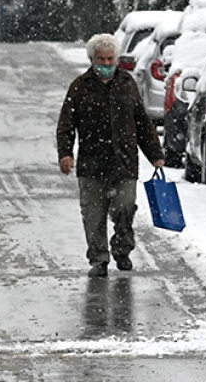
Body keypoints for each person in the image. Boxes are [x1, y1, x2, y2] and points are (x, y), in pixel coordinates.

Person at [57, 33, 165, 278]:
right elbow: (66, 124)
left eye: (110, 59)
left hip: (124, 163)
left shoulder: (128, 84)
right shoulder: (80, 87)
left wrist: (155, 154)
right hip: (91, 165)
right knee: (93, 216)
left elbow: (142, 122)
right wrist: (65, 154)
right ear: (92, 60)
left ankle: (122, 249)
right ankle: (98, 259)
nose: (106, 64)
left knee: (125, 208)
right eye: (101, 60)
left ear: (116, 59)